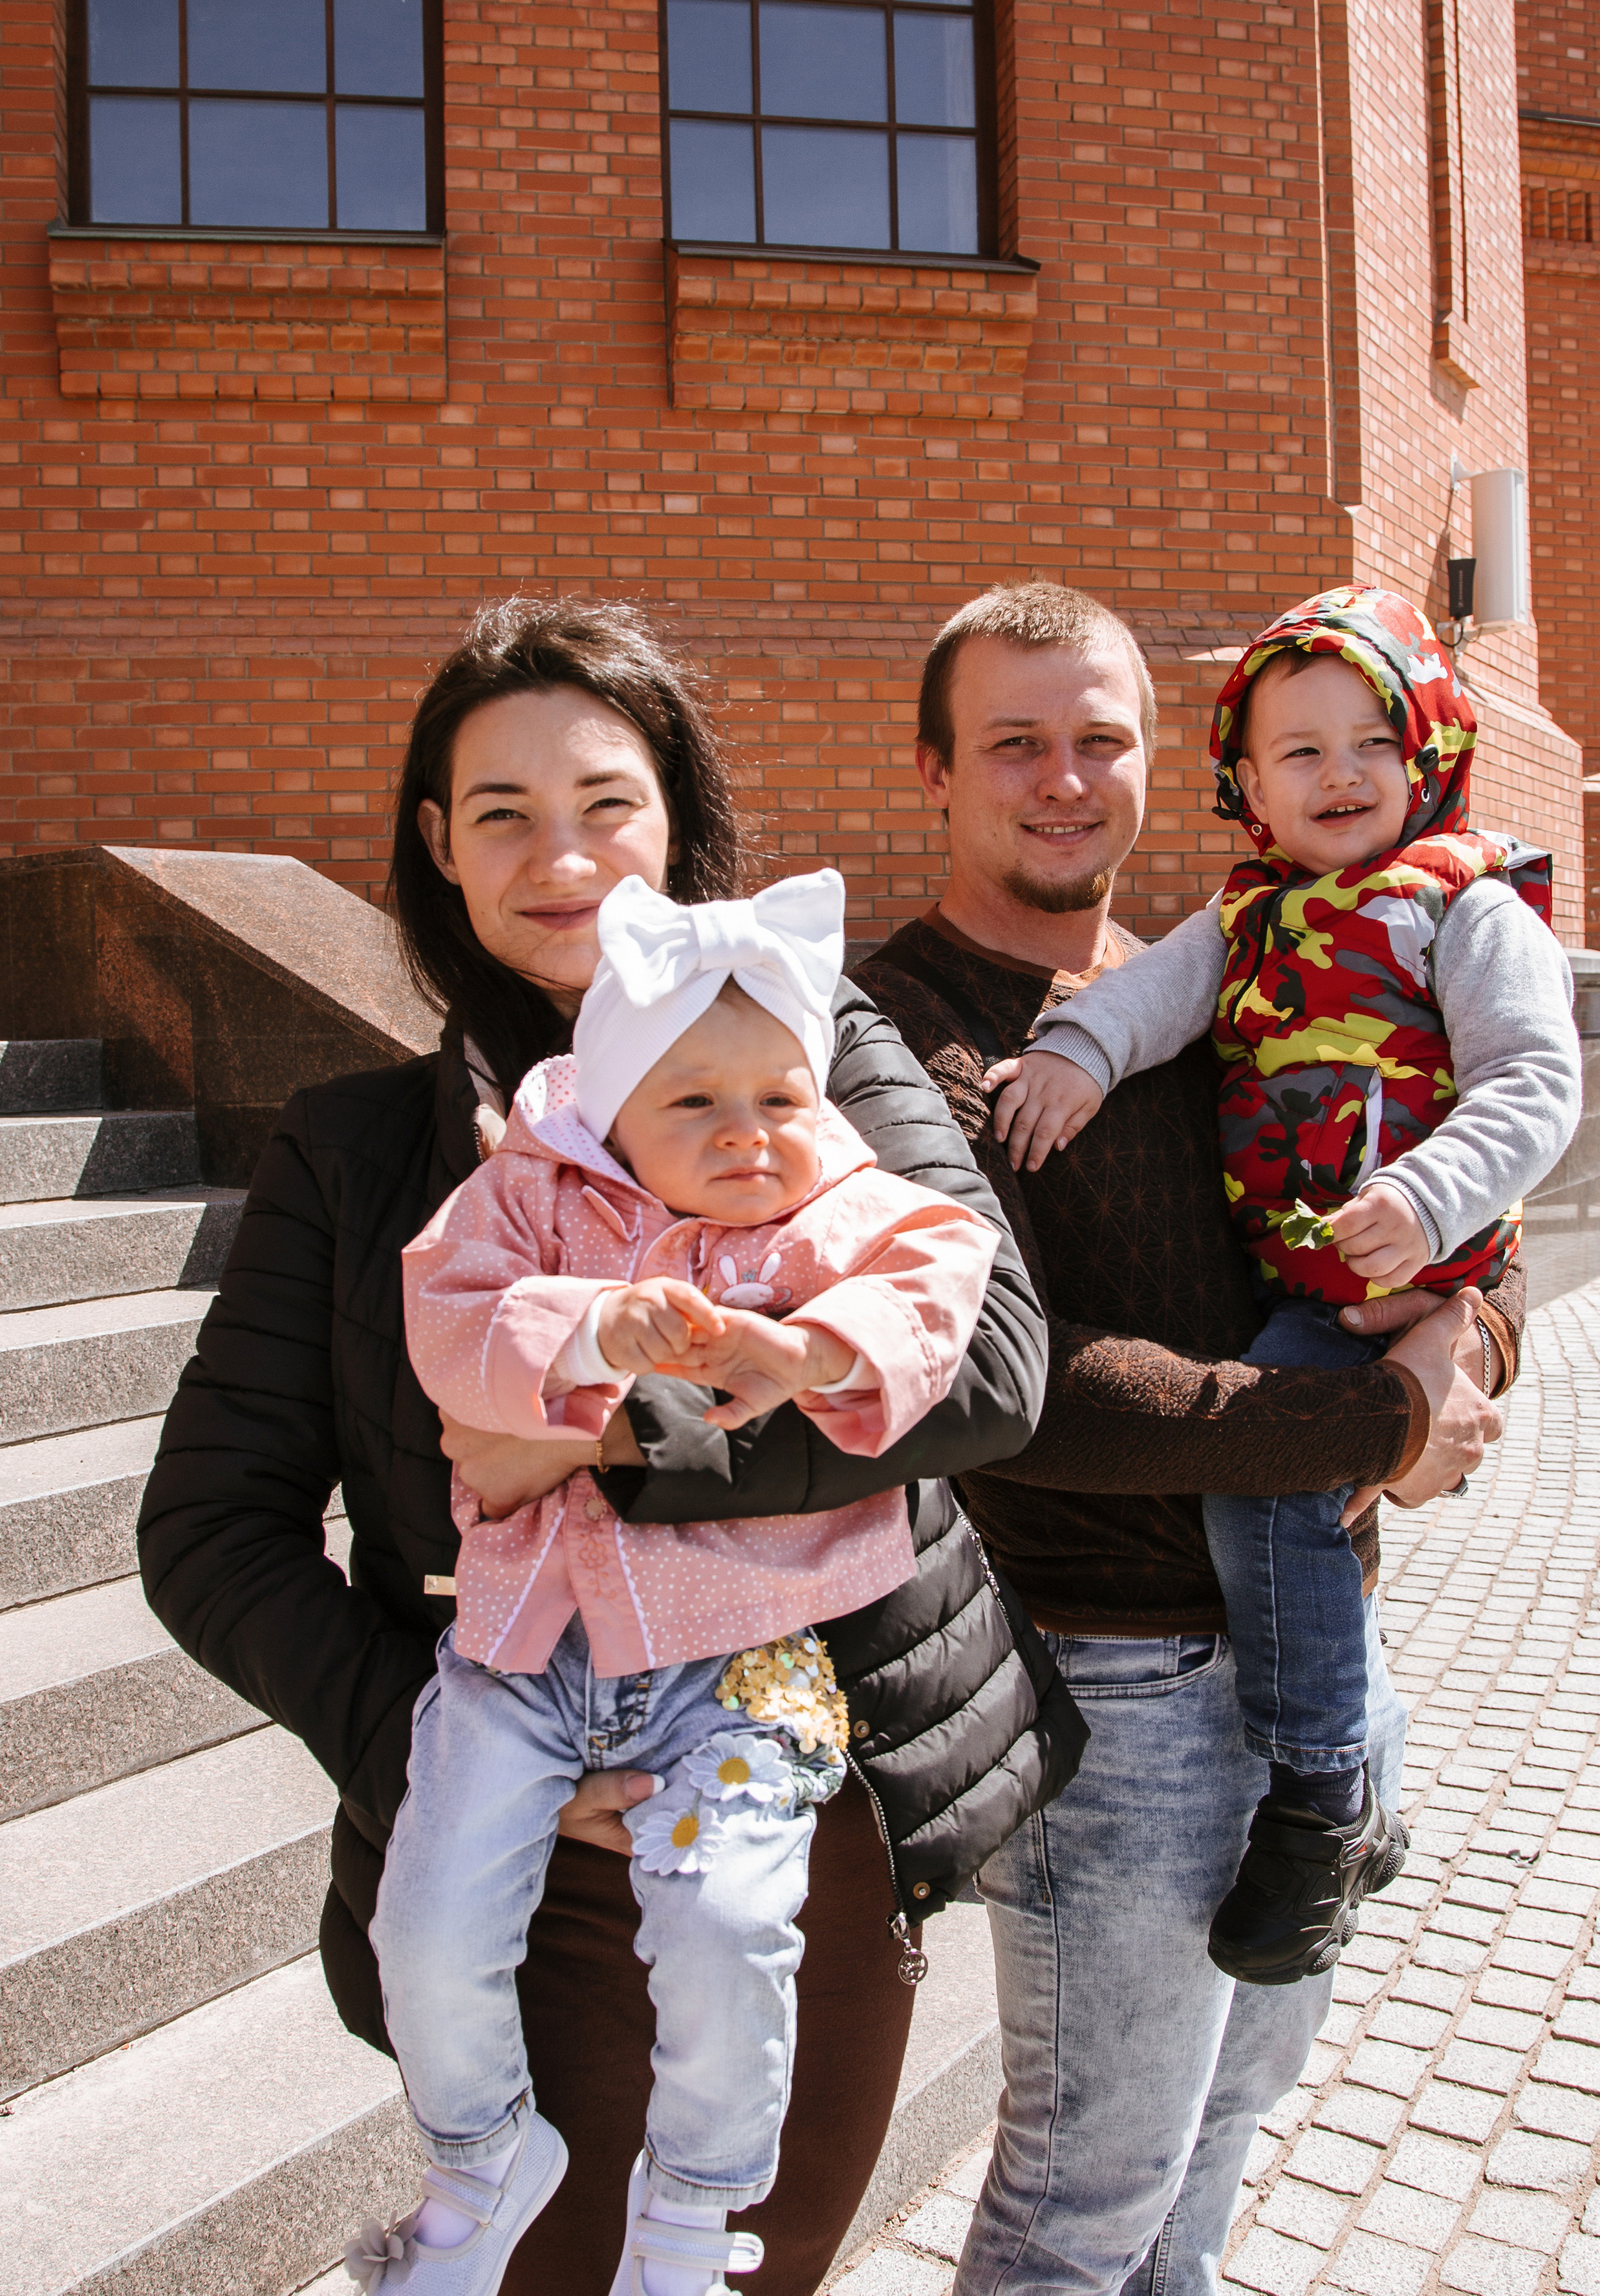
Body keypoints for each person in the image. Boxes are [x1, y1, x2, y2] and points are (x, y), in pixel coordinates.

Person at [138, 597, 1072, 2296]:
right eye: (503, 813)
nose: (562, 857)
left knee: (747, 2260)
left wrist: (614, 1445)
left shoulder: (815, 1052)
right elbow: (213, 1531)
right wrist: (447, 1750)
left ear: (678, 820)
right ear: (438, 847)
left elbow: (996, 1363)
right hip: (534, 1841)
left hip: (807, 1795)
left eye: (607, 803)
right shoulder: (355, 1155)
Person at [854, 581, 1516, 2296]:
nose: (1064, 778)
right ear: (934, 769)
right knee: (1093, 2184)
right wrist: (1374, 1420)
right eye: (1016, 742)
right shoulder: (890, 1039)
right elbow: (1014, 1388)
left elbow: (1448, 1169)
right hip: (1112, 1695)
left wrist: (1468, 1328)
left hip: (1313, 1636)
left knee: (1234, 2120)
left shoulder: (1221, 966)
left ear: (1166, 763)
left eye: (1101, 740)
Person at [352, 867, 1002, 2293]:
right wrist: (591, 1332)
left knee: (726, 1930)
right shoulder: (528, 1192)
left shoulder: (831, 1204)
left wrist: (812, 1352)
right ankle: (478, 2160)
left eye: (777, 1096)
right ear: (612, 1108)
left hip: (740, 1662)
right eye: (694, 1103)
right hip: (520, 1657)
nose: (748, 1134)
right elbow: (444, 1312)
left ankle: (698, 2210)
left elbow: (946, 1273)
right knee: (429, 1917)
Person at [979, 586, 1579, 1986]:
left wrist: (1432, 1210)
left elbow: (1535, 1084)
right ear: (1243, 784)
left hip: (1407, 1264)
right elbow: (1144, 1000)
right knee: (1281, 1489)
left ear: (1426, 755)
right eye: (1296, 753)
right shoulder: (1242, 914)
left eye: (1371, 741)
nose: (1339, 774)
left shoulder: (1461, 906)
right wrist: (1072, 1053)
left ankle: (1321, 1792)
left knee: (1263, 1486)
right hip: (1304, 1293)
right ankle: (1345, 1769)